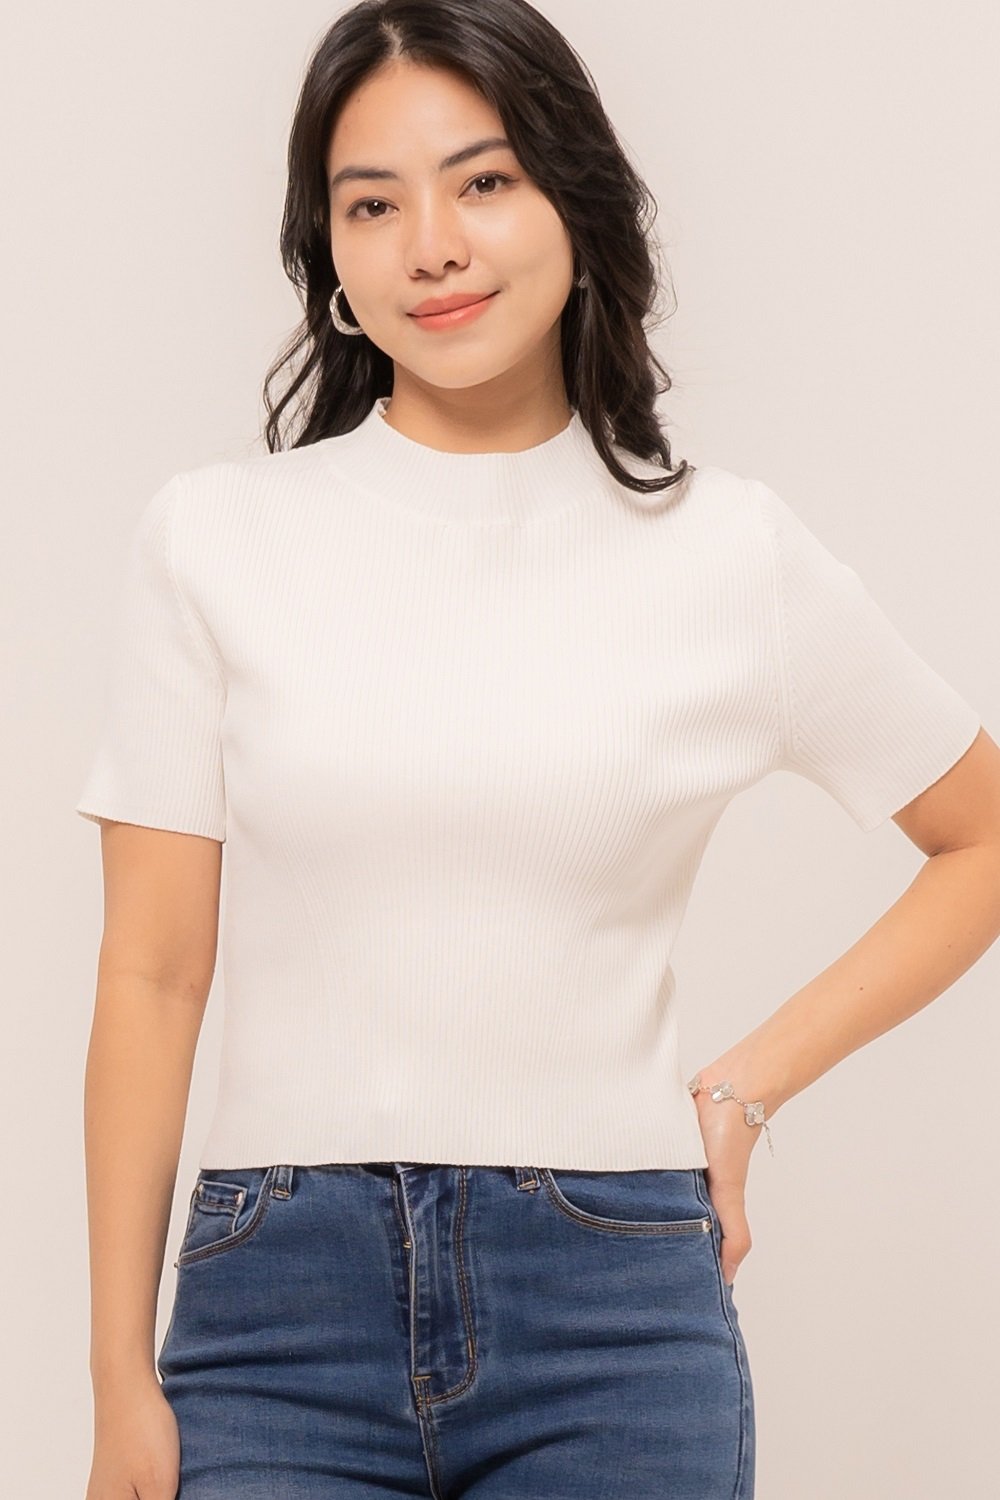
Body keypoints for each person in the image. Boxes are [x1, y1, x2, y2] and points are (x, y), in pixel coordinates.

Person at [77, 3, 1000, 1498]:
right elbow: (152, 974)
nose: (432, 246)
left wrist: (748, 1087)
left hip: (613, 1309)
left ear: (576, 197)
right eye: (372, 205)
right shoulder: (215, 542)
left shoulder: (727, 554)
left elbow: (983, 837)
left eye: (485, 181)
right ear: (330, 258)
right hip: (274, 1319)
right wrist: (119, 1375)